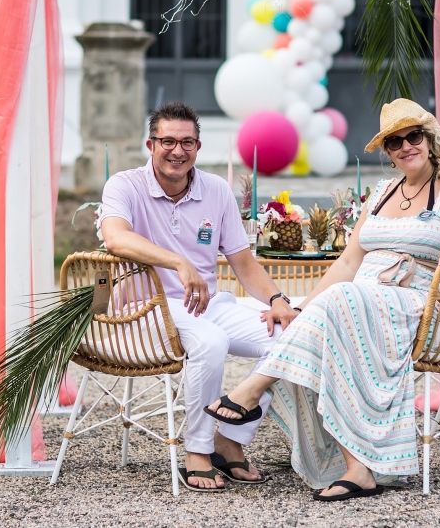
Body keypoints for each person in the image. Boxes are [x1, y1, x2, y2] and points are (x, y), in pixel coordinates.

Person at [205, 98, 440, 501]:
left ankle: (251, 390)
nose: (406, 146)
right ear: (388, 152)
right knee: (329, 313)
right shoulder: (381, 192)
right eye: (395, 141)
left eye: (414, 136)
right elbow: (348, 262)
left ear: (429, 140)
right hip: (360, 303)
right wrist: (306, 310)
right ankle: (358, 469)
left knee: (344, 302)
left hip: (424, 309)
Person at [97, 101, 298, 492]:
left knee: (291, 334)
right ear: (150, 144)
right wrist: (179, 263)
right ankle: (198, 450)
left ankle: (231, 440)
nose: (177, 150)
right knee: (212, 342)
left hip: (207, 305)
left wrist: (277, 299)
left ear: (198, 147)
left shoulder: (216, 191)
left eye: (187, 142)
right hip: (145, 308)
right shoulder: (125, 184)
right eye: (168, 141)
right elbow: (116, 237)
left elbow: (242, 261)